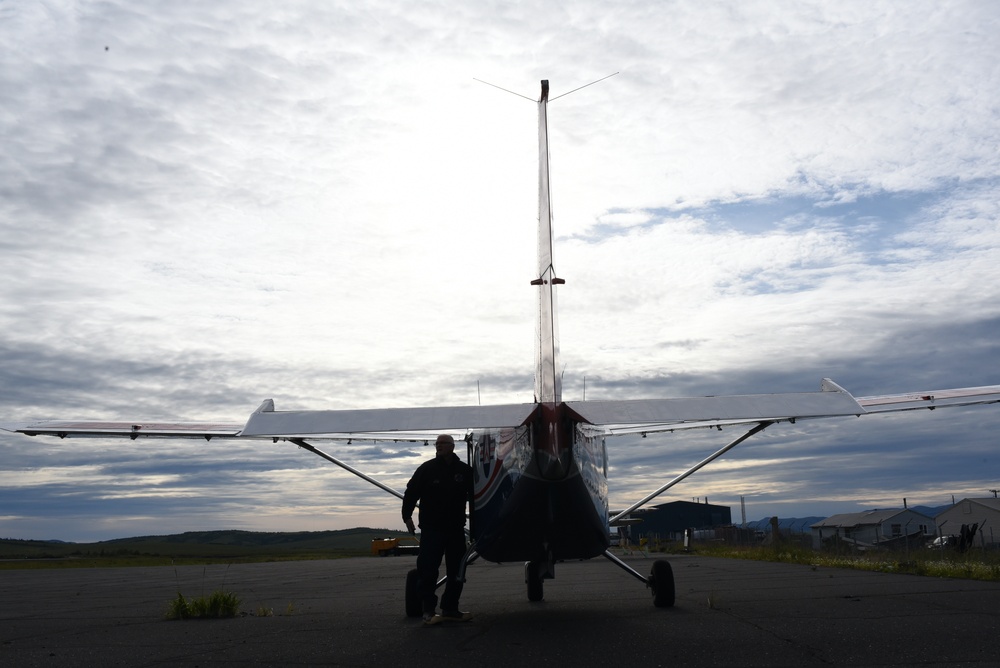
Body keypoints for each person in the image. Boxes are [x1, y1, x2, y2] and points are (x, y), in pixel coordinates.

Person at [402, 433, 474, 623]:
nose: (439, 446)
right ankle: (428, 611)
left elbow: (476, 497)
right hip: (432, 528)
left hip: (456, 529)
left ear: (452, 446)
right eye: (437, 443)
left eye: (443, 443)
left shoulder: (464, 471)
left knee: (457, 570)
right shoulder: (426, 469)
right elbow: (411, 492)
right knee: (428, 569)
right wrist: (406, 515)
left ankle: (450, 607)